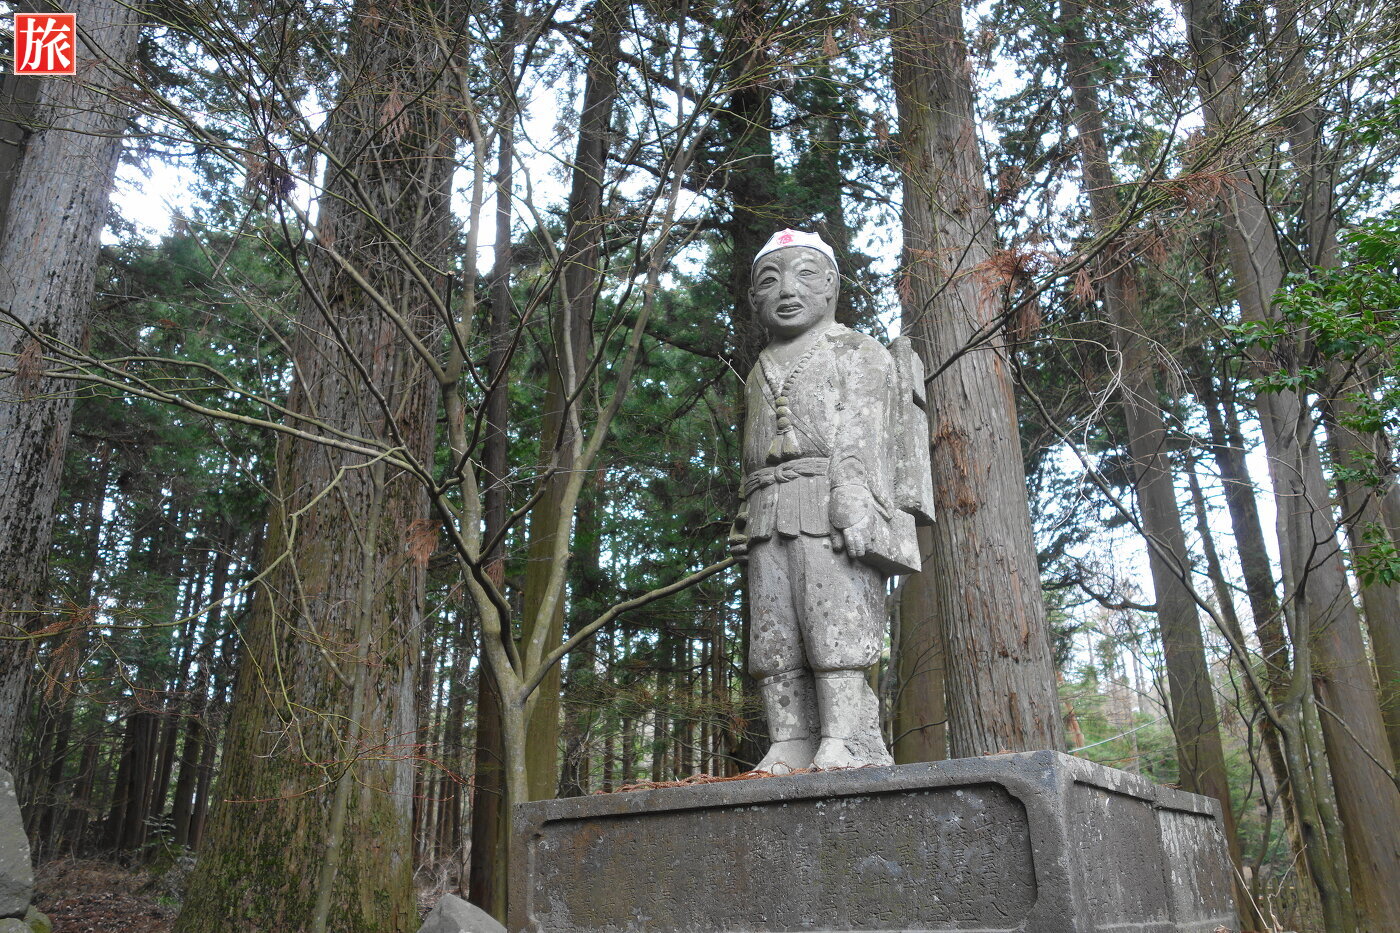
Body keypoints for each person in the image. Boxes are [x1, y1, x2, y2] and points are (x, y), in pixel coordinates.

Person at [728, 229, 930, 773]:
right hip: (769, 507)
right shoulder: (758, 368)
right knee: (773, 634)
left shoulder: (857, 351)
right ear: (753, 297)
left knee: (834, 622)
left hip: (829, 501)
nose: (787, 290)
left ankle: (843, 736)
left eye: (805, 276)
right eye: (770, 280)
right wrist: (745, 513)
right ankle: (789, 738)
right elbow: (752, 450)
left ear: (832, 286)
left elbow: (865, 433)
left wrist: (852, 494)